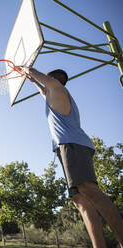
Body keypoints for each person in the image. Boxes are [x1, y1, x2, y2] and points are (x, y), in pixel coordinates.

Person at [22, 67, 123, 248]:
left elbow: (47, 83)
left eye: (47, 79)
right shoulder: (53, 95)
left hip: (72, 145)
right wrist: (33, 82)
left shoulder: (58, 88)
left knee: (90, 190)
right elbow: (44, 91)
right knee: (80, 201)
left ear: (54, 80)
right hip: (67, 146)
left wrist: (26, 68)